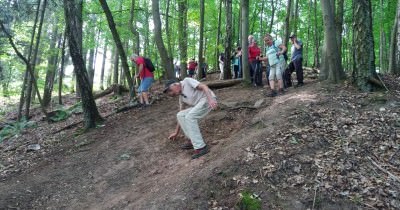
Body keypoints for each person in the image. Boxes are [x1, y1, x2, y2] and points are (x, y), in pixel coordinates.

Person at [164, 78, 218, 159]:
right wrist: (176, 132)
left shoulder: (187, 81)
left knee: (190, 116)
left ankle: (201, 147)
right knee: (180, 115)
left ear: (175, 84)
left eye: (170, 90)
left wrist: (211, 100)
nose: (171, 94)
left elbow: (204, 86)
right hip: (199, 105)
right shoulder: (181, 97)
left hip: (207, 99)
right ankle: (192, 140)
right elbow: (180, 116)